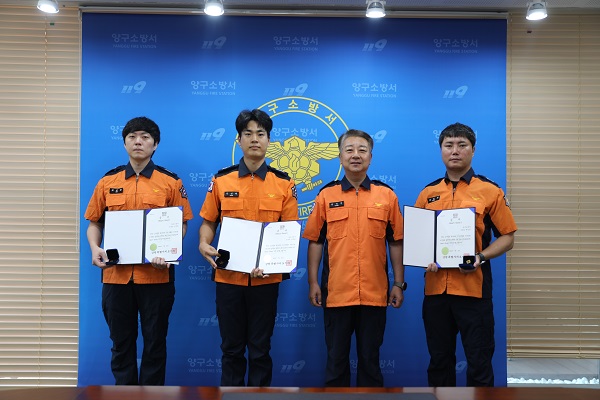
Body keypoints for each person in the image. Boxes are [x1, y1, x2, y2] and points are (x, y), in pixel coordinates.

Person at [84, 116, 193, 385]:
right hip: (116, 277)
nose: (138, 142)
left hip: (156, 276)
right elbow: (94, 223)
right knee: (121, 343)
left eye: (145, 137)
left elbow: (181, 224)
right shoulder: (107, 181)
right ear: (124, 143)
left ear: (155, 144)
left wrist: (168, 251)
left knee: (155, 343)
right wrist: (95, 248)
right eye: (132, 137)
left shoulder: (170, 182)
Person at [198, 109, 298, 387]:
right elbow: (208, 222)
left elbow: (289, 232)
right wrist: (203, 243)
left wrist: (274, 262)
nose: (255, 139)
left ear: (269, 140)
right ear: (238, 140)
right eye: (248, 134)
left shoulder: (284, 183)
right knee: (231, 349)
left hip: (266, 279)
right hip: (228, 277)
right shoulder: (221, 181)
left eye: (261, 134)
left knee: (260, 349)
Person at [415, 122, 517, 387]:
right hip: (436, 292)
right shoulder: (428, 193)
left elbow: (507, 237)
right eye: (448, 145)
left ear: (473, 150)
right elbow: (419, 242)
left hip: (473, 292)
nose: (455, 151)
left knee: (479, 363)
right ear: (441, 150)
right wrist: (423, 258)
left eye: (462, 145)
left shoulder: (490, 190)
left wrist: (480, 257)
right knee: (439, 362)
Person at [303, 129, 405, 387]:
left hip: (374, 294)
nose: (356, 155)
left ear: (371, 156)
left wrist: (398, 283)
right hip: (337, 293)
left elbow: (396, 242)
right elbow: (315, 241)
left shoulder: (387, 195)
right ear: (340, 157)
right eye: (349, 150)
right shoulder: (326, 195)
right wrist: (313, 282)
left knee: (370, 362)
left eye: (362, 150)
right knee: (336, 362)